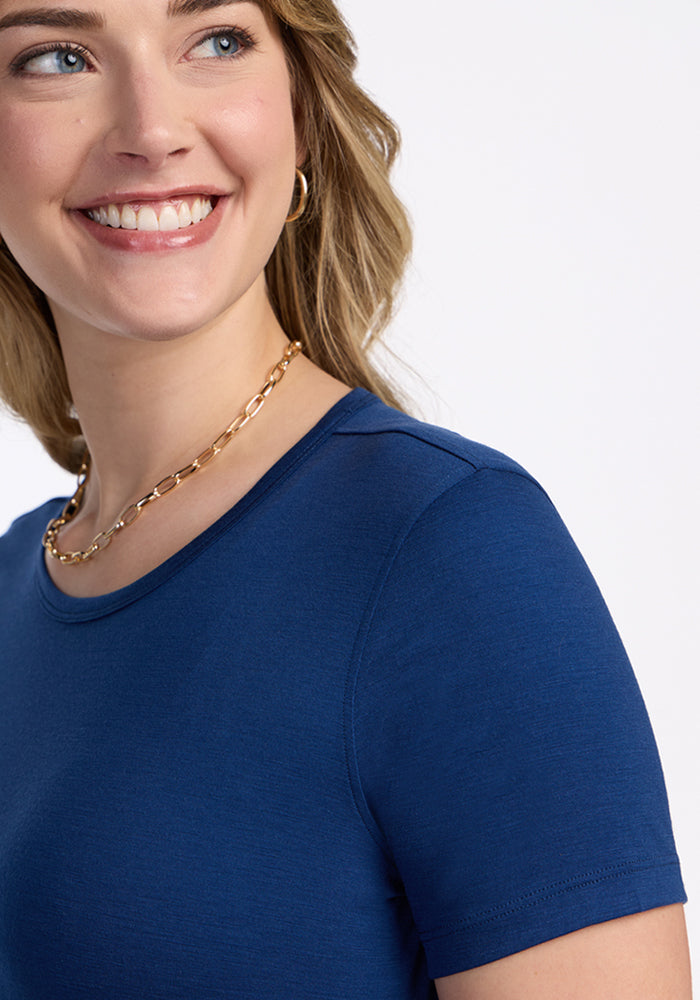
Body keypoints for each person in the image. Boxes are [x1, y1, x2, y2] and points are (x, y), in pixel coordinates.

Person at [0, 0, 691, 997]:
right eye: (57, 56)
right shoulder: (23, 582)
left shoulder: (447, 548)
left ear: (300, 114)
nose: (149, 129)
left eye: (217, 39)